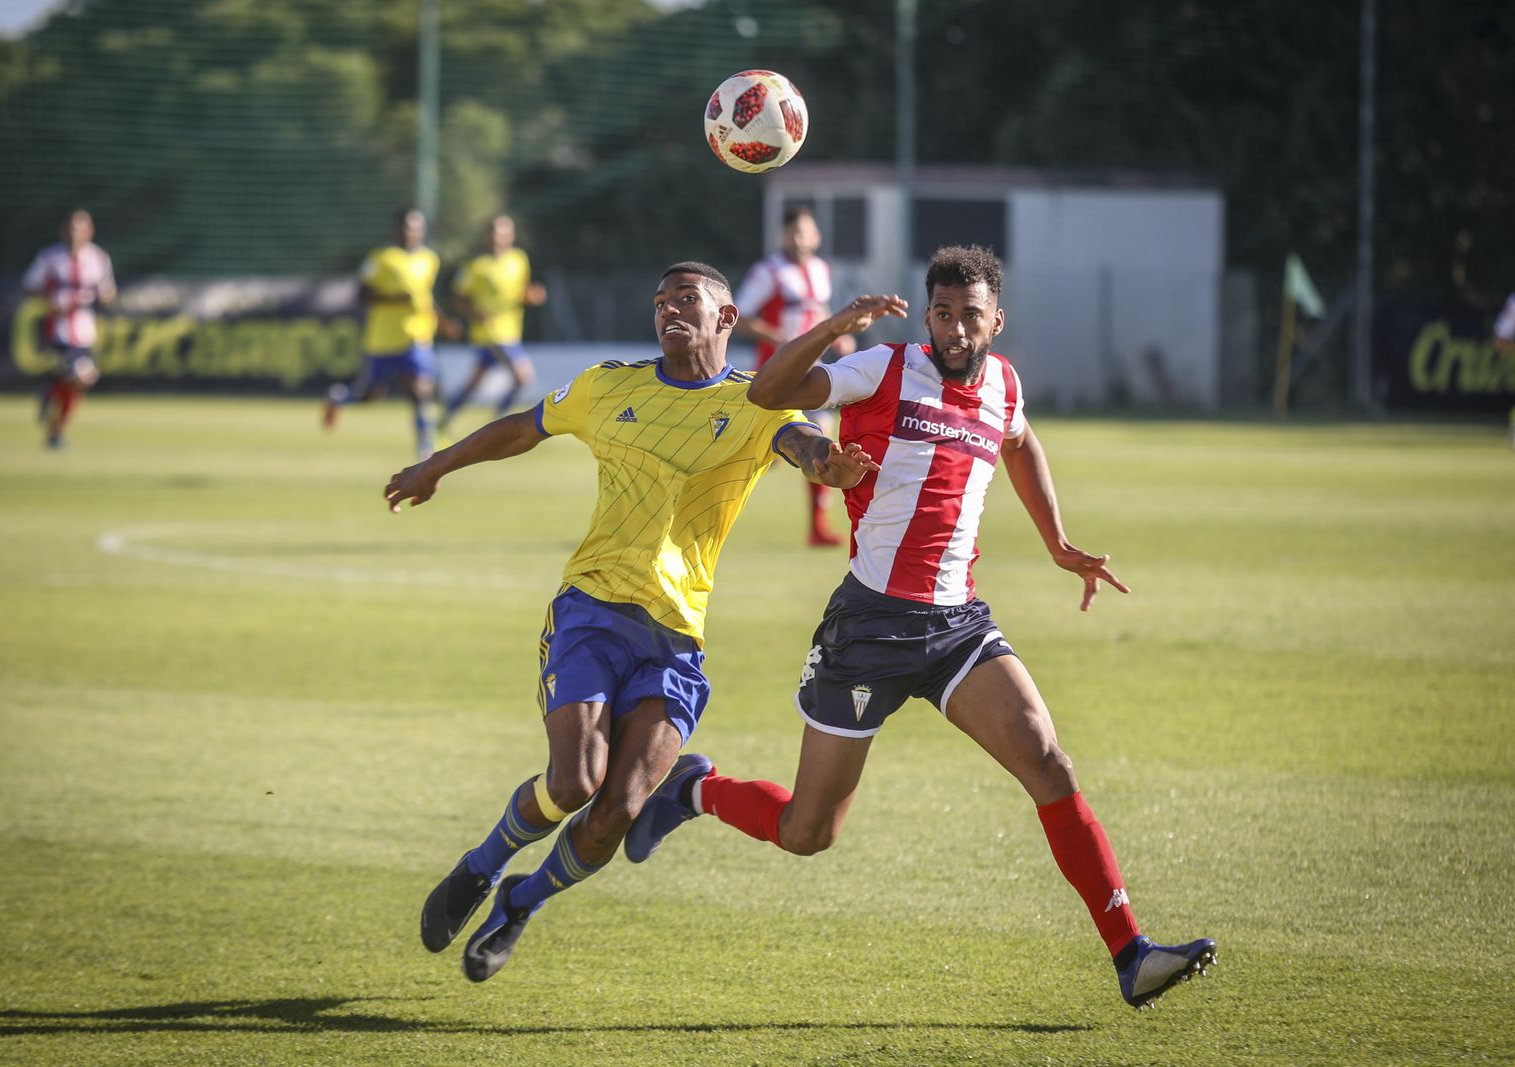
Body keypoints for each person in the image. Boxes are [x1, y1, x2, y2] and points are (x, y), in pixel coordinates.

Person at [626, 245, 1217, 1011]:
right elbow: (768, 392)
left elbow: (1020, 442)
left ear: (996, 320)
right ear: (929, 315)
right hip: (869, 627)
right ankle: (695, 790)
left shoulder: (1003, 384)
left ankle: (1131, 952)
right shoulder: (884, 367)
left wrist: (1058, 542)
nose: (956, 329)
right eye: (943, 314)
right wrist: (839, 324)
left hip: (958, 627)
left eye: (971, 315)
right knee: (809, 831)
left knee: (1048, 761)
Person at [386, 261, 881, 984]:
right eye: (660, 302)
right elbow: (524, 428)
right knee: (576, 779)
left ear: (725, 319)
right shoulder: (608, 385)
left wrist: (836, 470)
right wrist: (439, 463)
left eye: (687, 298)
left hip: (676, 640)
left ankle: (522, 901)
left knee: (618, 806)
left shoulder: (758, 405)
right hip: (592, 609)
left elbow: (810, 451)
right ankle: (483, 864)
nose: (668, 310)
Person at [733, 204, 857, 547]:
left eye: (807, 232)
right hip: (775, 375)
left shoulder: (820, 270)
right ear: (783, 236)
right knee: (763, 453)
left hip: (814, 371)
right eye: (794, 232)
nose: (801, 239)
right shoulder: (768, 272)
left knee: (821, 439)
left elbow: (820, 311)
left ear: (816, 236)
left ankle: (818, 528)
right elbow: (740, 318)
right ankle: (711, 503)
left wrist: (839, 334)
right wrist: (783, 341)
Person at [323, 208, 447, 460]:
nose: (410, 232)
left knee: (420, 391)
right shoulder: (381, 258)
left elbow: (423, 297)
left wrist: (442, 320)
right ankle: (339, 398)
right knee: (370, 395)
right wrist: (394, 299)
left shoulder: (429, 259)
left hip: (417, 337)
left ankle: (426, 447)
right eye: (405, 227)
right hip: (383, 340)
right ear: (397, 230)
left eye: (415, 227)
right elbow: (360, 294)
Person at [438, 214, 548, 430]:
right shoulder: (476, 266)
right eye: (495, 233)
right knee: (523, 377)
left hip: (511, 330)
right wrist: (476, 314)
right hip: (490, 334)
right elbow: (458, 298)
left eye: (505, 233)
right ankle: (499, 424)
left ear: (512, 235)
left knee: (473, 385)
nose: (499, 238)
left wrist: (532, 295)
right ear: (487, 236)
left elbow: (520, 291)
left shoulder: (519, 259)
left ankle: (443, 422)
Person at [22, 208, 116, 449]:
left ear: (90, 231)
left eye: (81, 228)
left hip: (84, 332)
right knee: (83, 376)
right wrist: (50, 302)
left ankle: (54, 423)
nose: (75, 233)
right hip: (58, 330)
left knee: (78, 383)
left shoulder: (99, 258)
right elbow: (29, 285)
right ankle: (53, 410)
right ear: (63, 230)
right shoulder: (50, 257)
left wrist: (105, 295)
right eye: (71, 228)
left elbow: (108, 294)